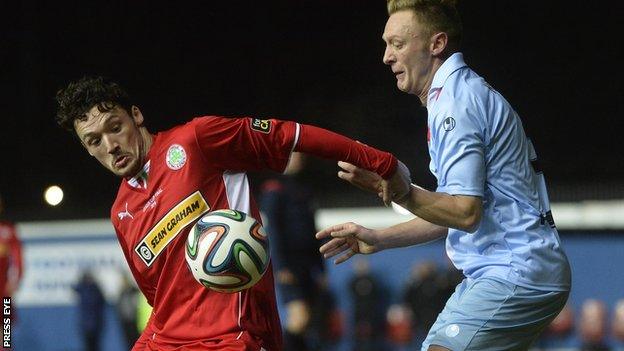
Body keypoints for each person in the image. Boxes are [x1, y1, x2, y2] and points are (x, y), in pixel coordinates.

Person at [54, 76, 410, 351]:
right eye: (94, 140)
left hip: (230, 336)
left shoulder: (197, 142)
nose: (110, 145)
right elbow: (160, 301)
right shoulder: (121, 212)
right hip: (167, 338)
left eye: (115, 127)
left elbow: (293, 135)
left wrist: (382, 163)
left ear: (135, 116)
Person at [316, 1, 571, 350]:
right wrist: (379, 238)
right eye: (386, 44)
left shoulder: (455, 103)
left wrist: (397, 189)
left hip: (514, 271)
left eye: (398, 44)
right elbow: (453, 213)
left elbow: (464, 213)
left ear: (436, 44)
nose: (386, 57)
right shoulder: (456, 95)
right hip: (509, 272)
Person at [258, 152, 323, 351]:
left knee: (309, 321)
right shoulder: (273, 189)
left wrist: (321, 269)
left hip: (307, 265)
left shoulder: (305, 190)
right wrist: (281, 267)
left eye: (301, 156)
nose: (299, 159)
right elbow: (273, 231)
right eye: (292, 156)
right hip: (289, 263)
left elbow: (313, 230)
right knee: (299, 318)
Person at [73, 270, 106, 351]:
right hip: (87, 324)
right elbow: (75, 287)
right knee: (89, 346)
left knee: (95, 345)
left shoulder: (95, 290)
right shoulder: (83, 289)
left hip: (95, 323)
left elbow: (101, 301)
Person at [0, 193, 24, 300]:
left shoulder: (7, 229)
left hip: (3, 281)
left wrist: (15, 279)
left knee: (6, 311)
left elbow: (17, 257)